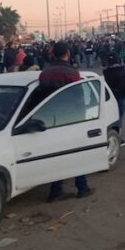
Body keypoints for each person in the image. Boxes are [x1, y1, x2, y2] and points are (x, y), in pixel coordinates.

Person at [39, 42, 95, 202]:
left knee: (57, 154)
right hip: (71, 118)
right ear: (68, 53)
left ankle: (56, 190)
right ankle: (82, 187)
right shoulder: (71, 72)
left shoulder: (45, 73)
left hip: (50, 119)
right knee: (77, 153)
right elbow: (78, 97)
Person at [103, 54, 125, 147]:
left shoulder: (106, 71)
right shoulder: (122, 69)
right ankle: (118, 137)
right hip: (122, 95)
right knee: (120, 117)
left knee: (112, 117)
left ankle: (112, 136)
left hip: (111, 97)